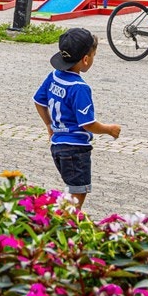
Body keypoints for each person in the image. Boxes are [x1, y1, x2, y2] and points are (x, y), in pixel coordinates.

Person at [33, 28, 120, 208]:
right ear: (86, 60)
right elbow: (88, 124)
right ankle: (66, 225)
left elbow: (38, 101)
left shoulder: (54, 76)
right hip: (76, 149)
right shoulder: (79, 87)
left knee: (72, 190)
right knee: (77, 194)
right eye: (94, 55)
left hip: (57, 147)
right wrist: (108, 129)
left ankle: (64, 221)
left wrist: (49, 125)